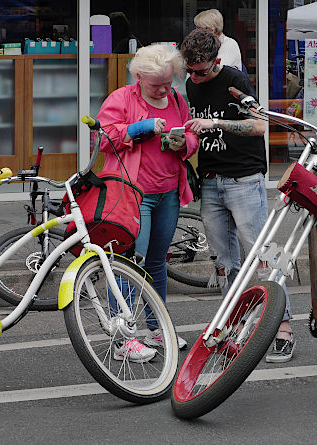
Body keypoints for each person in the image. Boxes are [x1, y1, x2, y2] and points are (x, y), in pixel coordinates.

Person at [180, 28, 295, 363]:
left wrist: (217, 124)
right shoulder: (191, 84)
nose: (194, 77)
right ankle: (234, 325)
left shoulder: (235, 80)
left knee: (263, 255)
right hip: (212, 180)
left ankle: (283, 327)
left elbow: (259, 126)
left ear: (216, 61)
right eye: (189, 70)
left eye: (200, 71)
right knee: (224, 262)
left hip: (245, 179)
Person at [97, 43, 199, 362]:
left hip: (168, 193)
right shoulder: (122, 98)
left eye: (170, 82)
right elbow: (102, 140)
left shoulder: (178, 99)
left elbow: (191, 138)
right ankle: (122, 337)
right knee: (129, 264)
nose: (165, 89)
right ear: (139, 76)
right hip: (133, 195)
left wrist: (184, 142)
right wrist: (138, 129)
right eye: (157, 85)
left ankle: (157, 328)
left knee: (156, 263)